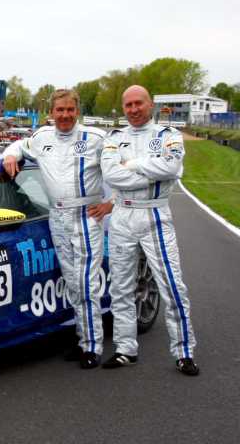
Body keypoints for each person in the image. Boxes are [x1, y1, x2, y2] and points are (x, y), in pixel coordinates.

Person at [3, 89, 113, 369]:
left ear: (78, 111)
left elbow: (120, 170)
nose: (64, 115)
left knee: (86, 282)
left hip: (87, 215)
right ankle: (83, 339)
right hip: (58, 217)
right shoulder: (41, 138)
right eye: (59, 110)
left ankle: (92, 347)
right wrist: (9, 155)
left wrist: (110, 203)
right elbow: (18, 145)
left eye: (69, 110)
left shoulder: (97, 138)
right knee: (72, 282)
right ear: (50, 113)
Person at [100, 85, 199, 375]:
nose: (133, 109)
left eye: (138, 103)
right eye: (128, 104)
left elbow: (170, 168)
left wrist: (130, 165)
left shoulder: (168, 135)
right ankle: (125, 349)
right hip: (122, 215)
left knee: (172, 285)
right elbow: (111, 174)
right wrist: (144, 171)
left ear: (150, 104)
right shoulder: (114, 137)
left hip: (155, 213)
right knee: (120, 286)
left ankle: (184, 351)